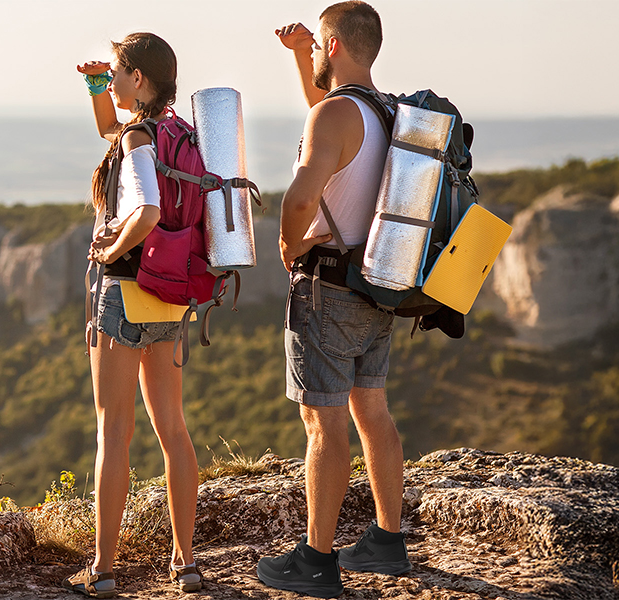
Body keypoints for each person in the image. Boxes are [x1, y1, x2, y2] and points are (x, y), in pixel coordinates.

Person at [256, 2, 411, 597]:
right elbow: (332, 133)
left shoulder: (335, 115)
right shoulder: (386, 113)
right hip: (378, 284)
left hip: (326, 289)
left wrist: (287, 246)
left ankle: (316, 560)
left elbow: (301, 198)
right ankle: (386, 541)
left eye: (319, 46)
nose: (316, 53)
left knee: (323, 422)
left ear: (337, 44)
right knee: (372, 408)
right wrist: (300, 56)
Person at [68, 32, 203, 598]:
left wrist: (110, 246)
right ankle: (187, 563)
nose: (115, 83)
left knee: (113, 433)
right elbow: (113, 132)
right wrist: (98, 85)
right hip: (168, 294)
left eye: (120, 74)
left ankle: (101, 570)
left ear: (139, 80)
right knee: (173, 429)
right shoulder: (170, 132)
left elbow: (146, 207)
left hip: (123, 294)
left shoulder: (139, 139)